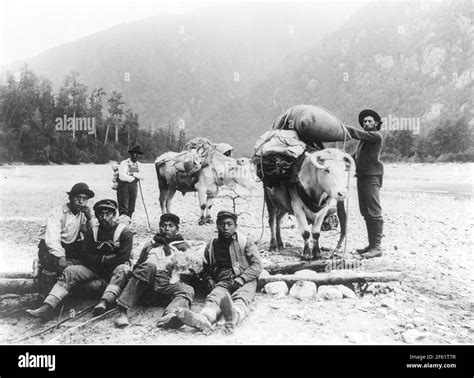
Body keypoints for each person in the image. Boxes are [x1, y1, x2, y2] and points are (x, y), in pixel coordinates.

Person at [26, 199, 134, 321]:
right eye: (100, 214)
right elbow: (85, 256)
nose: (104, 217)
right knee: (70, 271)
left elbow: (122, 257)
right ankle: (47, 306)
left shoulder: (124, 232)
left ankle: (105, 302)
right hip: (95, 269)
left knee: (123, 268)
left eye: (108, 214)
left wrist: (100, 259)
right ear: (96, 215)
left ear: (114, 215)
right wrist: (104, 258)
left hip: (113, 271)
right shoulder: (92, 232)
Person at [176, 210, 262, 332]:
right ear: (217, 226)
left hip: (245, 279)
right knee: (214, 297)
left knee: (242, 298)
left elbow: (257, 265)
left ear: (235, 226)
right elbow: (205, 268)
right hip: (223, 280)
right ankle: (203, 319)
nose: (226, 228)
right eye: (222, 224)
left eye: (229, 224)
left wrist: (242, 278)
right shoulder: (211, 245)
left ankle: (233, 317)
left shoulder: (245, 242)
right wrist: (209, 279)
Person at [114, 213, 194, 329]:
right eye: (163, 225)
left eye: (171, 226)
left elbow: (190, 269)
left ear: (177, 229)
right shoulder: (151, 245)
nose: (166, 229)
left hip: (167, 284)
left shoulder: (182, 246)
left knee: (188, 289)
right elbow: (138, 266)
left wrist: (181, 271)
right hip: (146, 284)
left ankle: (170, 315)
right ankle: (121, 311)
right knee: (149, 266)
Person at [35, 183, 95, 296]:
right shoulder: (57, 212)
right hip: (49, 247)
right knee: (53, 263)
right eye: (78, 198)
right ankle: (44, 294)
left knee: (90, 257)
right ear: (70, 198)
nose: (81, 202)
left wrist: (89, 217)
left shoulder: (82, 214)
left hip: (69, 245)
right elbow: (52, 239)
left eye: (85, 199)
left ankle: (74, 287)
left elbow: (93, 235)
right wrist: (61, 257)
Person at [345, 109, 384, 259]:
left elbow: (357, 133)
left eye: (370, 121)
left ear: (376, 123)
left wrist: (341, 128)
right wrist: (342, 158)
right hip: (362, 176)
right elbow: (354, 157)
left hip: (372, 176)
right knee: (365, 211)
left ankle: (376, 247)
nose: (367, 123)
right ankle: (371, 245)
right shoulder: (364, 141)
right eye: (365, 121)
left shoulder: (375, 136)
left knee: (374, 210)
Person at [117, 145, 145, 219]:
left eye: (138, 154)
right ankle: (122, 225)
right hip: (123, 187)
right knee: (123, 207)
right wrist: (134, 177)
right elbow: (122, 176)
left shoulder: (139, 165)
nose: (136, 156)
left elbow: (143, 176)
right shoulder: (124, 163)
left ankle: (128, 223)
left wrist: (133, 174)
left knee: (131, 207)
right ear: (131, 154)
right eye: (134, 153)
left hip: (134, 187)